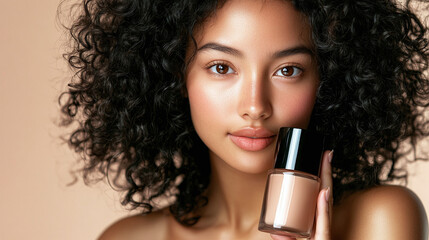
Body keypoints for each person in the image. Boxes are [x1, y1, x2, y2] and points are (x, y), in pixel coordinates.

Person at [59, 0, 429, 239]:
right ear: (175, 75)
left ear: (325, 81)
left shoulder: (381, 221)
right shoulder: (129, 239)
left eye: (287, 70)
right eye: (221, 67)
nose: (255, 106)